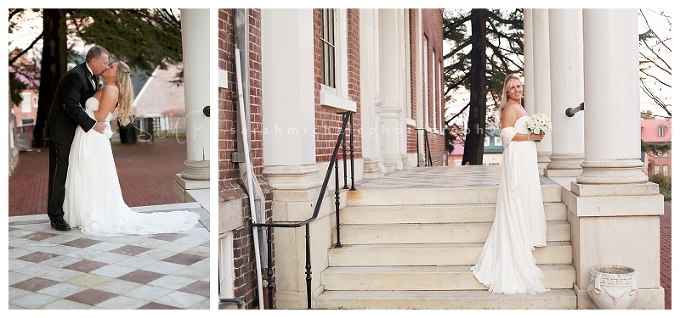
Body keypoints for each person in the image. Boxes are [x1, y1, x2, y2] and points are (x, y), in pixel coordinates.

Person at [62, 61, 199, 236]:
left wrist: (78, 108)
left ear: (117, 74)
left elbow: (101, 115)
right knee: (86, 173)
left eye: (111, 67)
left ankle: (91, 212)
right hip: (89, 134)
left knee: (89, 172)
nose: (107, 67)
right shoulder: (107, 87)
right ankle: (81, 211)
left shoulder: (111, 89)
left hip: (93, 136)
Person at [470, 74, 549, 294]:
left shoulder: (520, 107)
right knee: (517, 194)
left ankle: (525, 233)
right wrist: (531, 137)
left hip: (525, 155)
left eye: (519, 86)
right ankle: (517, 238)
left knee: (525, 194)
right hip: (517, 156)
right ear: (507, 91)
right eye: (513, 87)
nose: (517, 89)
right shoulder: (510, 109)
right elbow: (506, 135)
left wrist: (535, 135)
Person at [47, 46, 109, 231]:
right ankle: (56, 217)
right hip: (61, 131)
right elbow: (71, 107)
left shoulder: (92, 76)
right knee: (59, 174)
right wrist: (93, 125)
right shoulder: (75, 76)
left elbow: (87, 101)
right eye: (105, 63)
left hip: (74, 131)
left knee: (68, 172)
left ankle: (66, 211)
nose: (106, 66)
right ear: (94, 61)